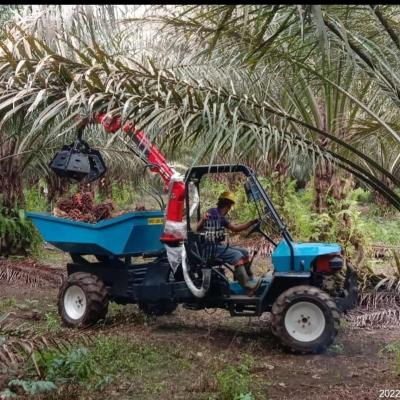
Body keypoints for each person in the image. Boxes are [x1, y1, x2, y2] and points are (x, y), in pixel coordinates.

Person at [197, 191, 261, 296]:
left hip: (217, 246)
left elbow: (235, 229)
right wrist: (203, 220)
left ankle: (248, 279)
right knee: (237, 255)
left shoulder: (222, 217)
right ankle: (247, 286)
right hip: (209, 248)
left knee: (244, 252)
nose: (229, 209)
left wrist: (251, 222)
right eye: (229, 206)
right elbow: (198, 228)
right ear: (227, 205)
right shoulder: (212, 212)